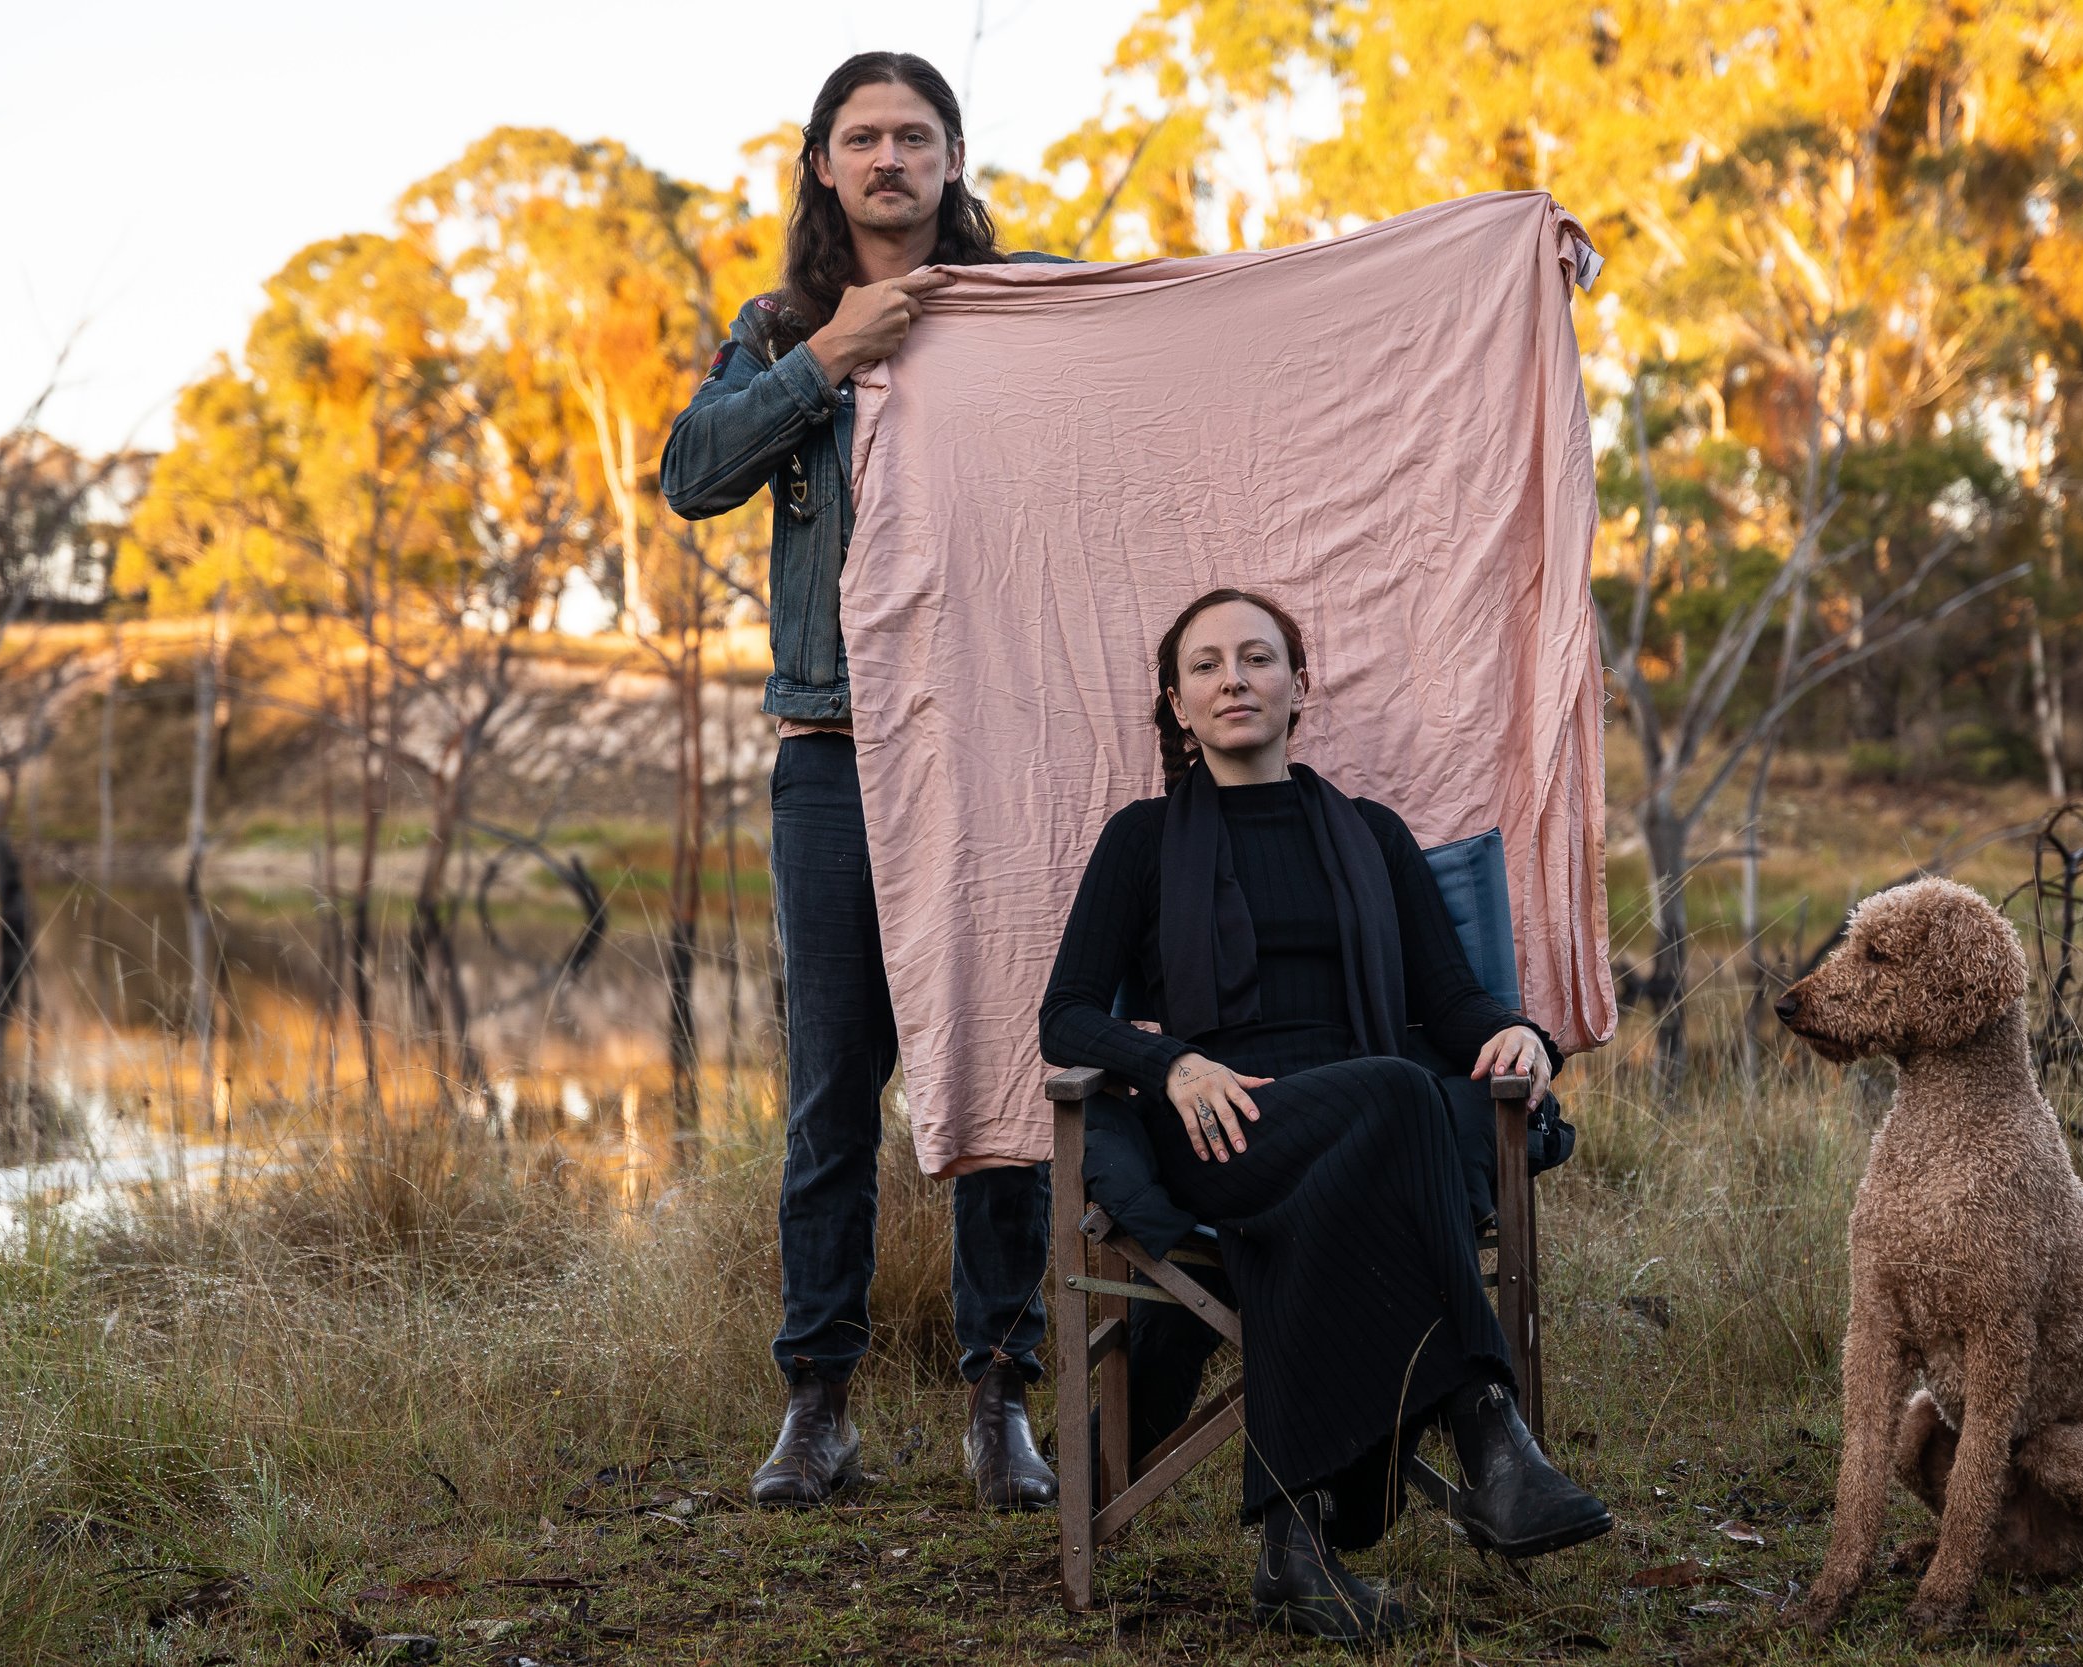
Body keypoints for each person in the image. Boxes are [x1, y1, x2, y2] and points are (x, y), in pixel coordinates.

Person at [1039, 589, 1612, 1641]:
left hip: (1355, 1147)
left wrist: (1520, 1029)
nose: (1233, 679)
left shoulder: (1372, 836)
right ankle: (1489, 1433)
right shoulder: (1140, 840)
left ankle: (1293, 1551)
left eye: (1257, 658)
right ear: (1175, 703)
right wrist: (1167, 1064)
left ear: (1300, 685)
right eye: (1205, 666)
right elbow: (1066, 1014)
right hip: (1225, 1127)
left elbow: (1450, 1002)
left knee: (1391, 1111)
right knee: (1403, 1092)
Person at [660, 52, 1069, 1514]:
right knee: (834, 1090)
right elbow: (693, 471)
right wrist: (833, 350)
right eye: (861, 137)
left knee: (1009, 1075)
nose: (889, 156)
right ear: (823, 167)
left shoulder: (1025, 316)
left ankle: (999, 1397)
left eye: (914, 134)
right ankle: (817, 1406)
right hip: (833, 753)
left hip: (1003, 751)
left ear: (954, 158)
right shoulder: (780, 326)